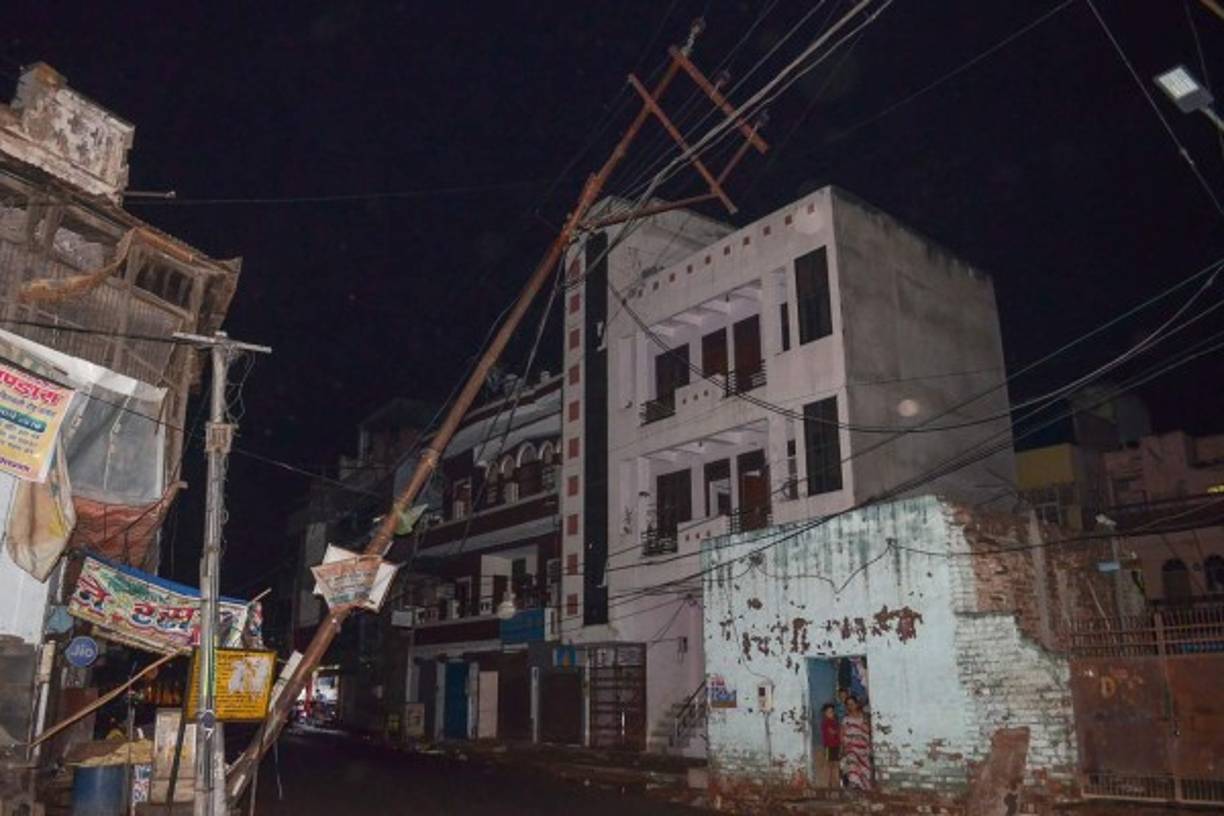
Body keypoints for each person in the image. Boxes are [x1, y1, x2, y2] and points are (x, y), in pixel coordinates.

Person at [841, 695, 873, 791]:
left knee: (864, 769)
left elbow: (868, 731)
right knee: (852, 763)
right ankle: (854, 784)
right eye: (848, 704)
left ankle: (864, 788)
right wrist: (843, 746)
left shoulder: (864, 717)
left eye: (852, 704)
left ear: (856, 704)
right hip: (851, 747)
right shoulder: (845, 719)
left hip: (863, 747)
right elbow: (842, 733)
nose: (850, 706)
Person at [819, 703, 841, 788]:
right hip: (829, 746)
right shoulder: (825, 723)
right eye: (829, 712)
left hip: (836, 745)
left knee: (835, 764)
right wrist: (839, 731)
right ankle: (828, 783)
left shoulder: (834, 722)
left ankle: (835, 783)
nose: (831, 713)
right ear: (825, 713)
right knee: (829, 765)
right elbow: (832, 732)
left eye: (832, 712)